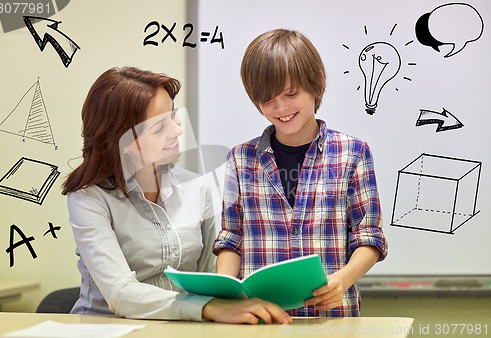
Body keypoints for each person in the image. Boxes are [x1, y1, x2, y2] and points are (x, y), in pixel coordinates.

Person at [62, 66, 291, 324]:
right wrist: (209, 308)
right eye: (159, 128)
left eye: (173, 116)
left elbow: (208, 280)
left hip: (180, 329)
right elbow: (120, 294)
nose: (177, 131)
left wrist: (234, 301)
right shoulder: (89, 198)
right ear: (124, 141)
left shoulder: (195, 187)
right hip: (106, 329)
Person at [213, 29, 388, 317]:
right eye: (267, 100)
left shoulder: (352, 153)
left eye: (291, 94)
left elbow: (369, 237)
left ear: (317, 83)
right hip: (261, 319)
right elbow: (231, 237)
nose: (280, 108)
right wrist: (227, 292)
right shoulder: (241, 159)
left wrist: (341, 280)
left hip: (332, 318)